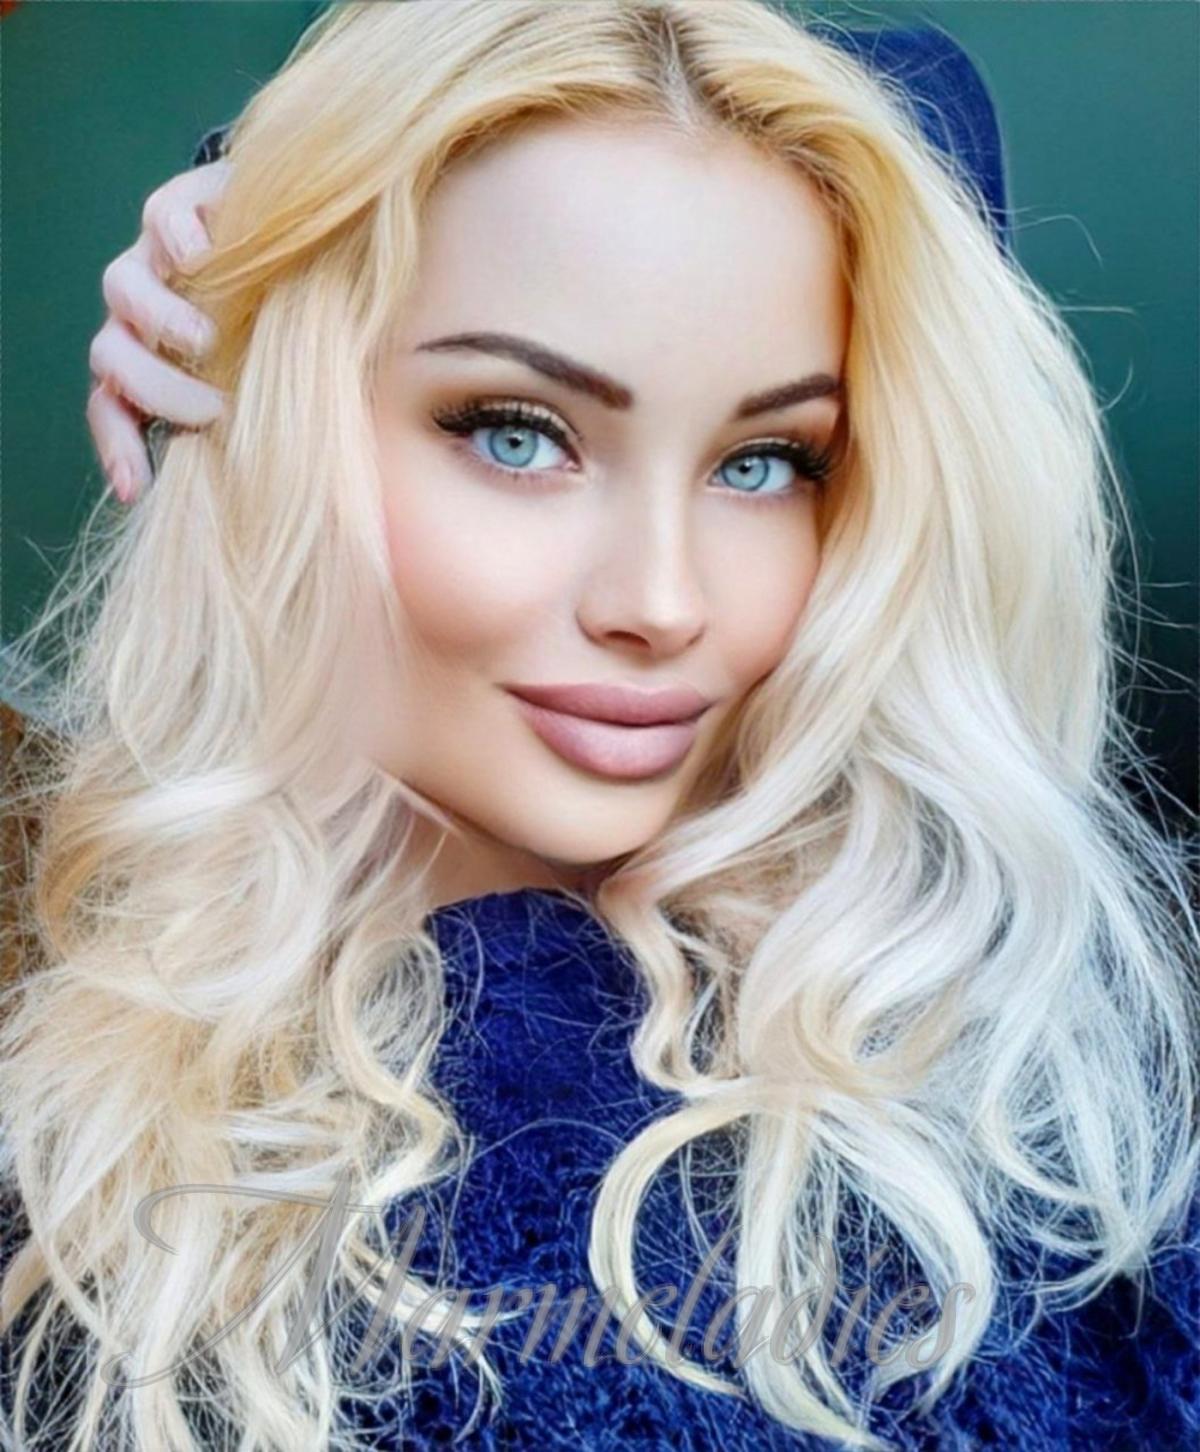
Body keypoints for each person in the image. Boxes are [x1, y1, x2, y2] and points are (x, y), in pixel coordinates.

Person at [2, 1, 1197, 1448]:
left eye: (768, 462)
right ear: (275, 430)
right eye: (517, 434)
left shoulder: (1013, 1102)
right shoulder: (91, 1111)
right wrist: (282, 213)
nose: (662, 603)